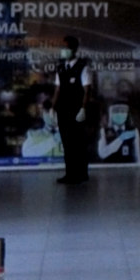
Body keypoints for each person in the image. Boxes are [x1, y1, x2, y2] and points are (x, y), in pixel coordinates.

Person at [52, 56, 96, 190]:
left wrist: (83, 108)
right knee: (67, 142)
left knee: (78, 142)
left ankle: (81, 173)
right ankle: (70, 173)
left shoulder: (83, 68)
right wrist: (53, 107)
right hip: (63, 110)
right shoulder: (61, 68)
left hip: (76, 110)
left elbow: (87, 90)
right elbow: (57, 90)